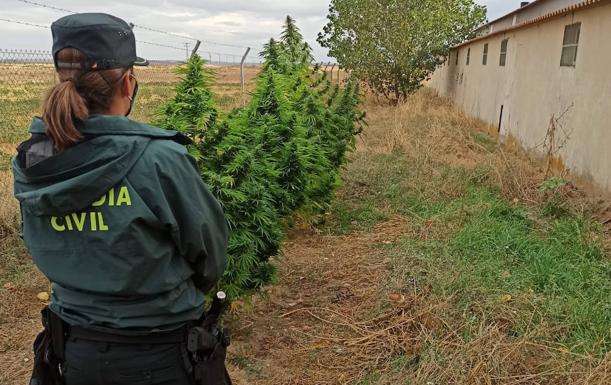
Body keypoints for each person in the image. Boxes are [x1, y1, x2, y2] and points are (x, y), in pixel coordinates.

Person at [12, 13, 229, 385]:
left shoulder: (34, 158)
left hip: (73, 352)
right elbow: (210, 253)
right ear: (128, 83)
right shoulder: (159, 159)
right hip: (160, 355)